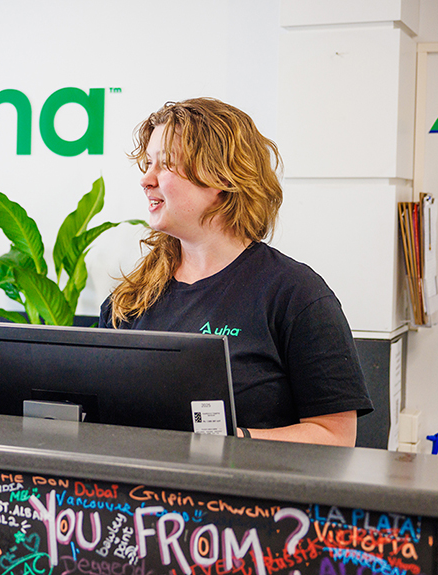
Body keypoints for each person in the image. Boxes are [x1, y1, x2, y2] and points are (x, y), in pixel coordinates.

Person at [100, 97, 372, 447]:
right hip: (133, 498)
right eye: (147, 163)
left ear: (220, 177)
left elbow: (335, 436)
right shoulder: (131, 298)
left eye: (165, 165)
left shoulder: (295, 294)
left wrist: (228, 442)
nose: (146, 180)